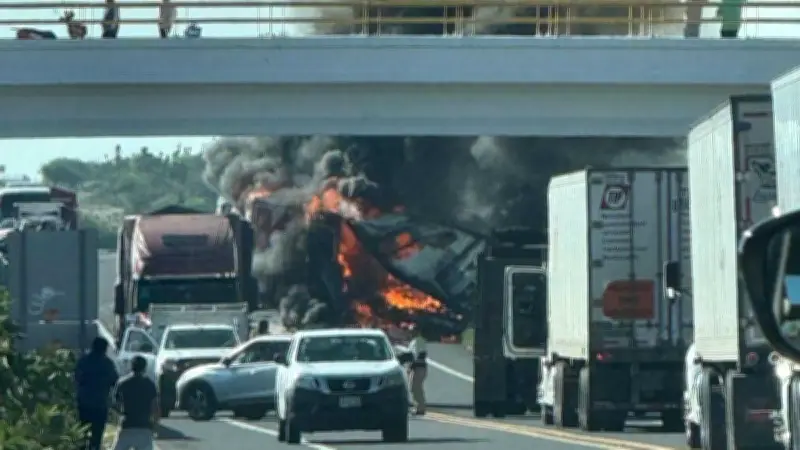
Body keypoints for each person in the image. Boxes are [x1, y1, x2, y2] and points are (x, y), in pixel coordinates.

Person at [75, 337, 119, 450]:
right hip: (100, 404)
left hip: (84, 403)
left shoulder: (83, 361)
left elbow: (77, 378)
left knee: (82, 434)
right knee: (97, 436)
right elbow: (114, 381)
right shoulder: (107, 363)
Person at [112, 355, 159, 450]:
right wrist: (155, 424)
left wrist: (121, 415)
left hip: (127, 425)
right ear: (145, 367)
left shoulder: (122, 383)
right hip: (144, 426)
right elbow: (155, 407)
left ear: (131, 366)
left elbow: (116, 405)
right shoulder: (150, 384)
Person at [407, 328, 427, 415]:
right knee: (413, 388)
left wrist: (413, 365)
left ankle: (420, 408)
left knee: (416, 388)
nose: (411, 333)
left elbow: (421, 354)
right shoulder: (413, 342)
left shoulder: (419, 341)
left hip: (419, 367)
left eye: (413, 331)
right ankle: (418, 407)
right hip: (415, 367)